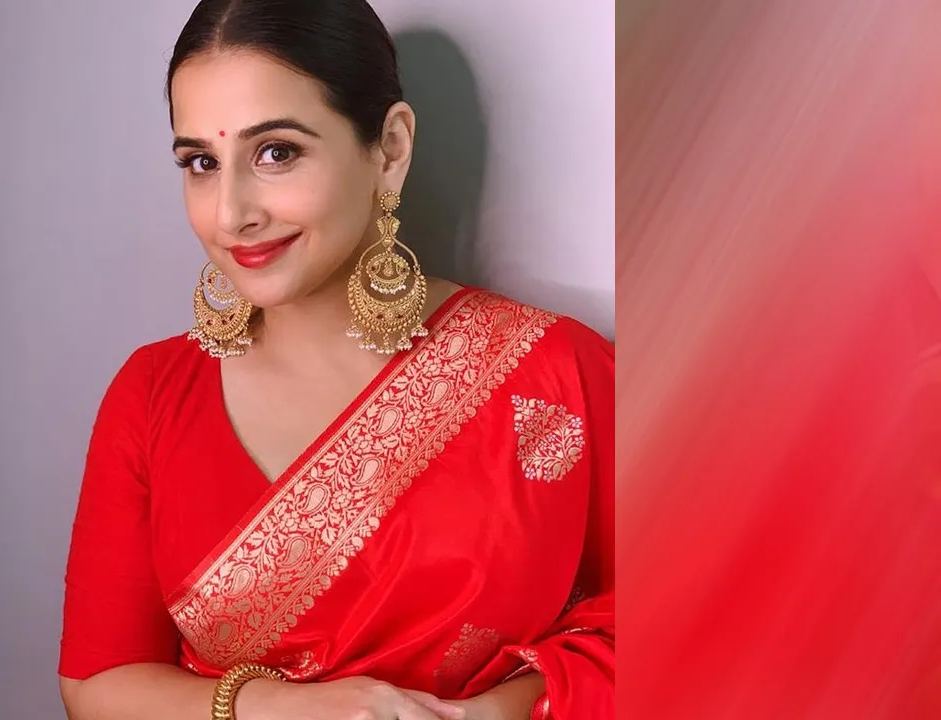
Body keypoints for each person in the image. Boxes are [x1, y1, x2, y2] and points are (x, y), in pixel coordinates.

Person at [57, 1, 614, 718]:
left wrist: (496, 712)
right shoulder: (154, 394)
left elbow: (680, 615)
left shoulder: (552, 372)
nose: (230, 214)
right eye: (200, 163)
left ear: (390, 149)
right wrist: (277, 709)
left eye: (276, 152)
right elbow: (98, 682)